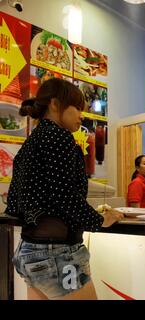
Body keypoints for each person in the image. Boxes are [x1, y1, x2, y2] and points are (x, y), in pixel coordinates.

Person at [6, 78, 124, 300]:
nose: (82, 115)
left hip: (29, 253)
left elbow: (14, 201)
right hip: (57, 254)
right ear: (55, 104)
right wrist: (100, 220)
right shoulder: (58, 137)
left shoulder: (31, 143)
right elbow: (65, 195)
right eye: (77, 108)